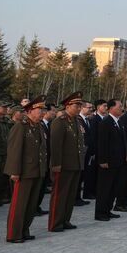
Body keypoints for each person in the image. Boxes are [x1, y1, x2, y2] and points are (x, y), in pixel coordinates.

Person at [4, 96, 47, 243]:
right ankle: (13, 234)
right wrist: (14, 171)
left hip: (36, 170)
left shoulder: (38, 126)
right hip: (23, 172)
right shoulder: (20, 126)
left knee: (31, 204)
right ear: (30, 110)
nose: (43, 112)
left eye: (43, 109)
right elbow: (14, 150)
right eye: (40, 109)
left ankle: (24, 229)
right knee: (19, 205)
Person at [48, 92, 86, 232]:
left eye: (80, 105)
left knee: (70, 195)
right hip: (63, 165)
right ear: (68, 106)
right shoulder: (60, 121)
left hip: (75, 164)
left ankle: (65, 220)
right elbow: (55, 145)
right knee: (59, 195)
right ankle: (55, 223)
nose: (79, 108)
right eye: (77, 105)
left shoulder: (76, 121)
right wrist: (56, 164)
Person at [95, 99, 125, 221]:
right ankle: (101, 213)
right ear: (111, 108)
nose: (121, 108)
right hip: (107, 162)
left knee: (113, 187)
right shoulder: (106, 122)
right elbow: (102, 143)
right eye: (119, 106)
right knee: (105, 188)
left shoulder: (117, 122)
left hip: (116, 161)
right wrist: (103, 160)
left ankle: (107, 210)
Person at [75, 100, 93, 205]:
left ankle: (78, 197)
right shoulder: (78, 119)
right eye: (89, 107)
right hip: (81, 152)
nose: (91, 109)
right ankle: (75, 198)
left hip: (87, 151)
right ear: (82, 108)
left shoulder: (87, 120)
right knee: (78, 176)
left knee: (82, 175)